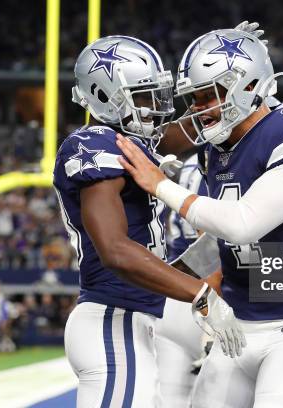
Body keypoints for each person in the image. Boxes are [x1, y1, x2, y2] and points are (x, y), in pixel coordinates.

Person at [117, 28, 283, 407]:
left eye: (210, 95)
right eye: (196, 98)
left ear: (249, 84)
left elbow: (243, 223)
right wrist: (164, 278)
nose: (201, 108)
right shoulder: (217, 149)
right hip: (236, 323)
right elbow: (224, 240)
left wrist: (161, 186)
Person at [54, 35, 244, 408]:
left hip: (130, 319)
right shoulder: (94, 143)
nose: (156, 108)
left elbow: (190, 129)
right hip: (111, 319)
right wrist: (200, 295)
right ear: (105, 95)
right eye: (144, 96)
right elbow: (115, 250)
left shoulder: (125, 143)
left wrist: (232, 70)